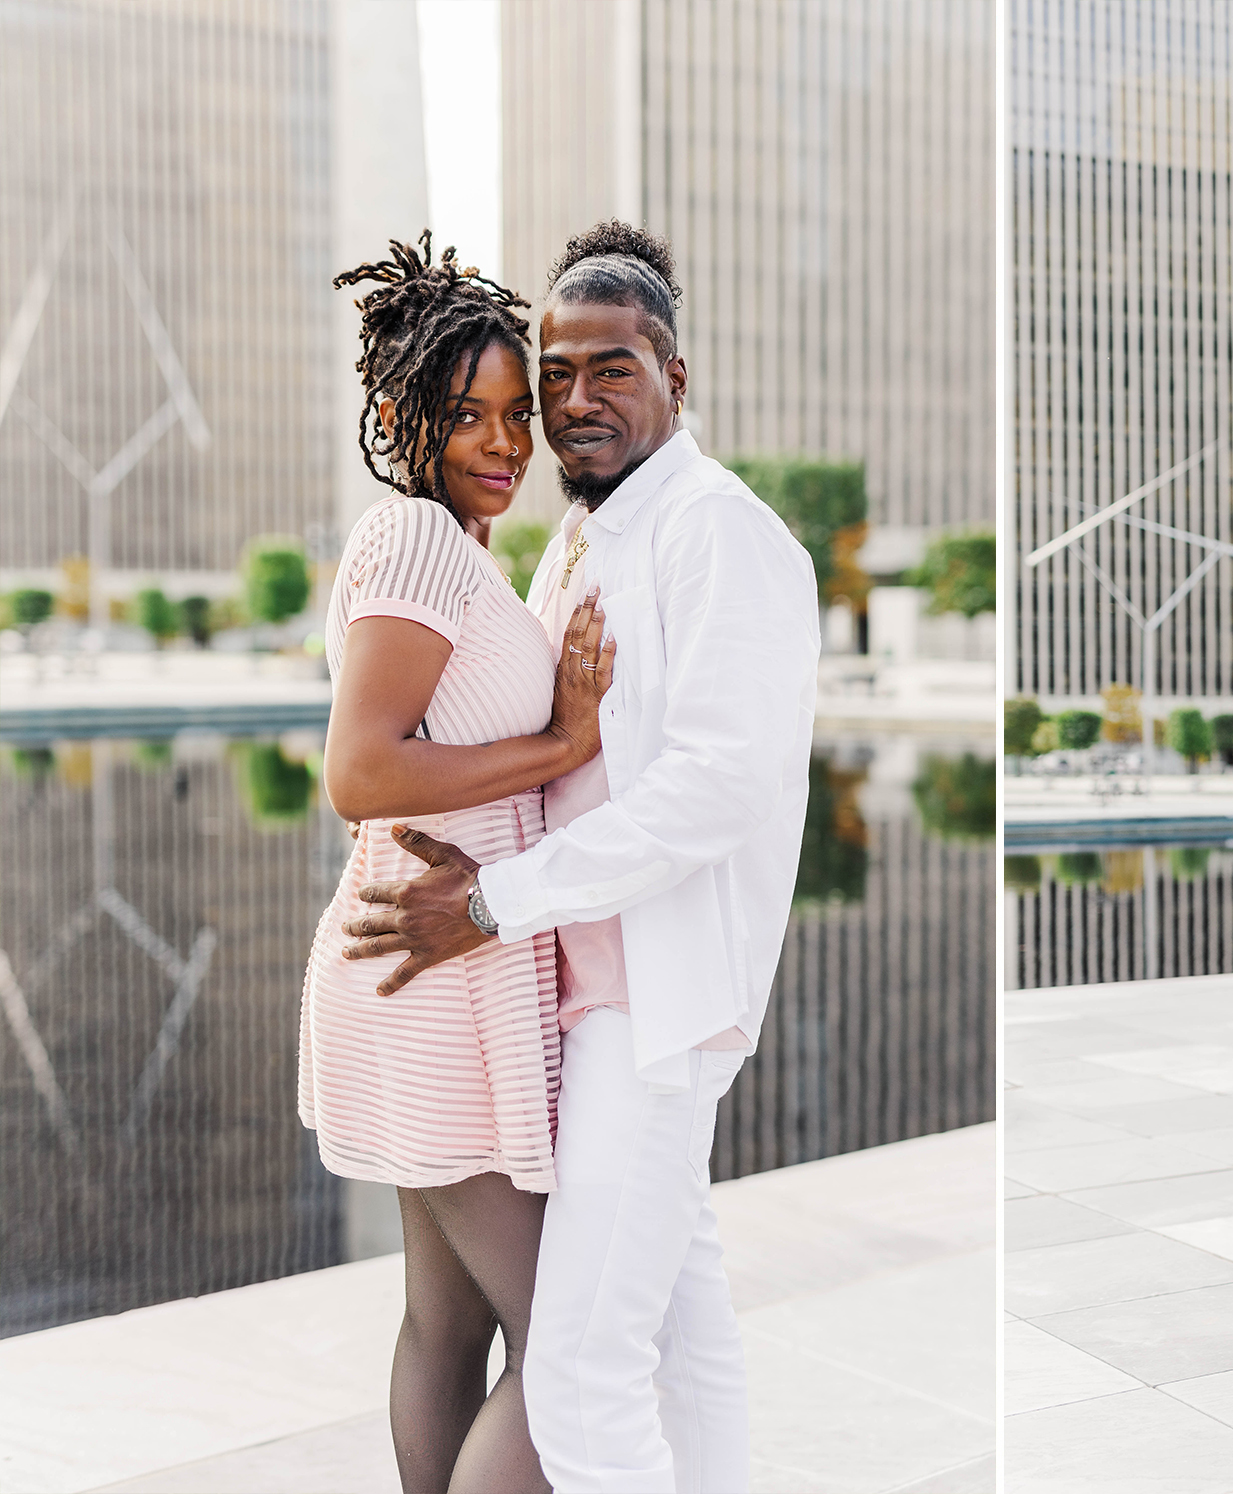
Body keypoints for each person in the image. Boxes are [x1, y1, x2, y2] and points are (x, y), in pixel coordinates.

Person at [339, 220, 821, 1494]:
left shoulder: (717, 531)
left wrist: (496, 900)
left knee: (580, 1371)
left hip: (645, 1005)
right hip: (562, 995)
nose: (571, 403)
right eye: (555, 374)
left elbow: (713, 785)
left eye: (610, 368)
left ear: (674, 372)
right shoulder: (576, 540)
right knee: (676, 1330)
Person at [303, 232, 614, 1494]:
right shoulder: (421, 546)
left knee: (453, 1320)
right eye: (466, 415)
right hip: (432, 981)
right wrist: (560, 743)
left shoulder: (454, 554)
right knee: (572, 1342)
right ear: (401, 417)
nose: (502, 443)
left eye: (511, 415)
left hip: (428, 964)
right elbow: (359, 773)